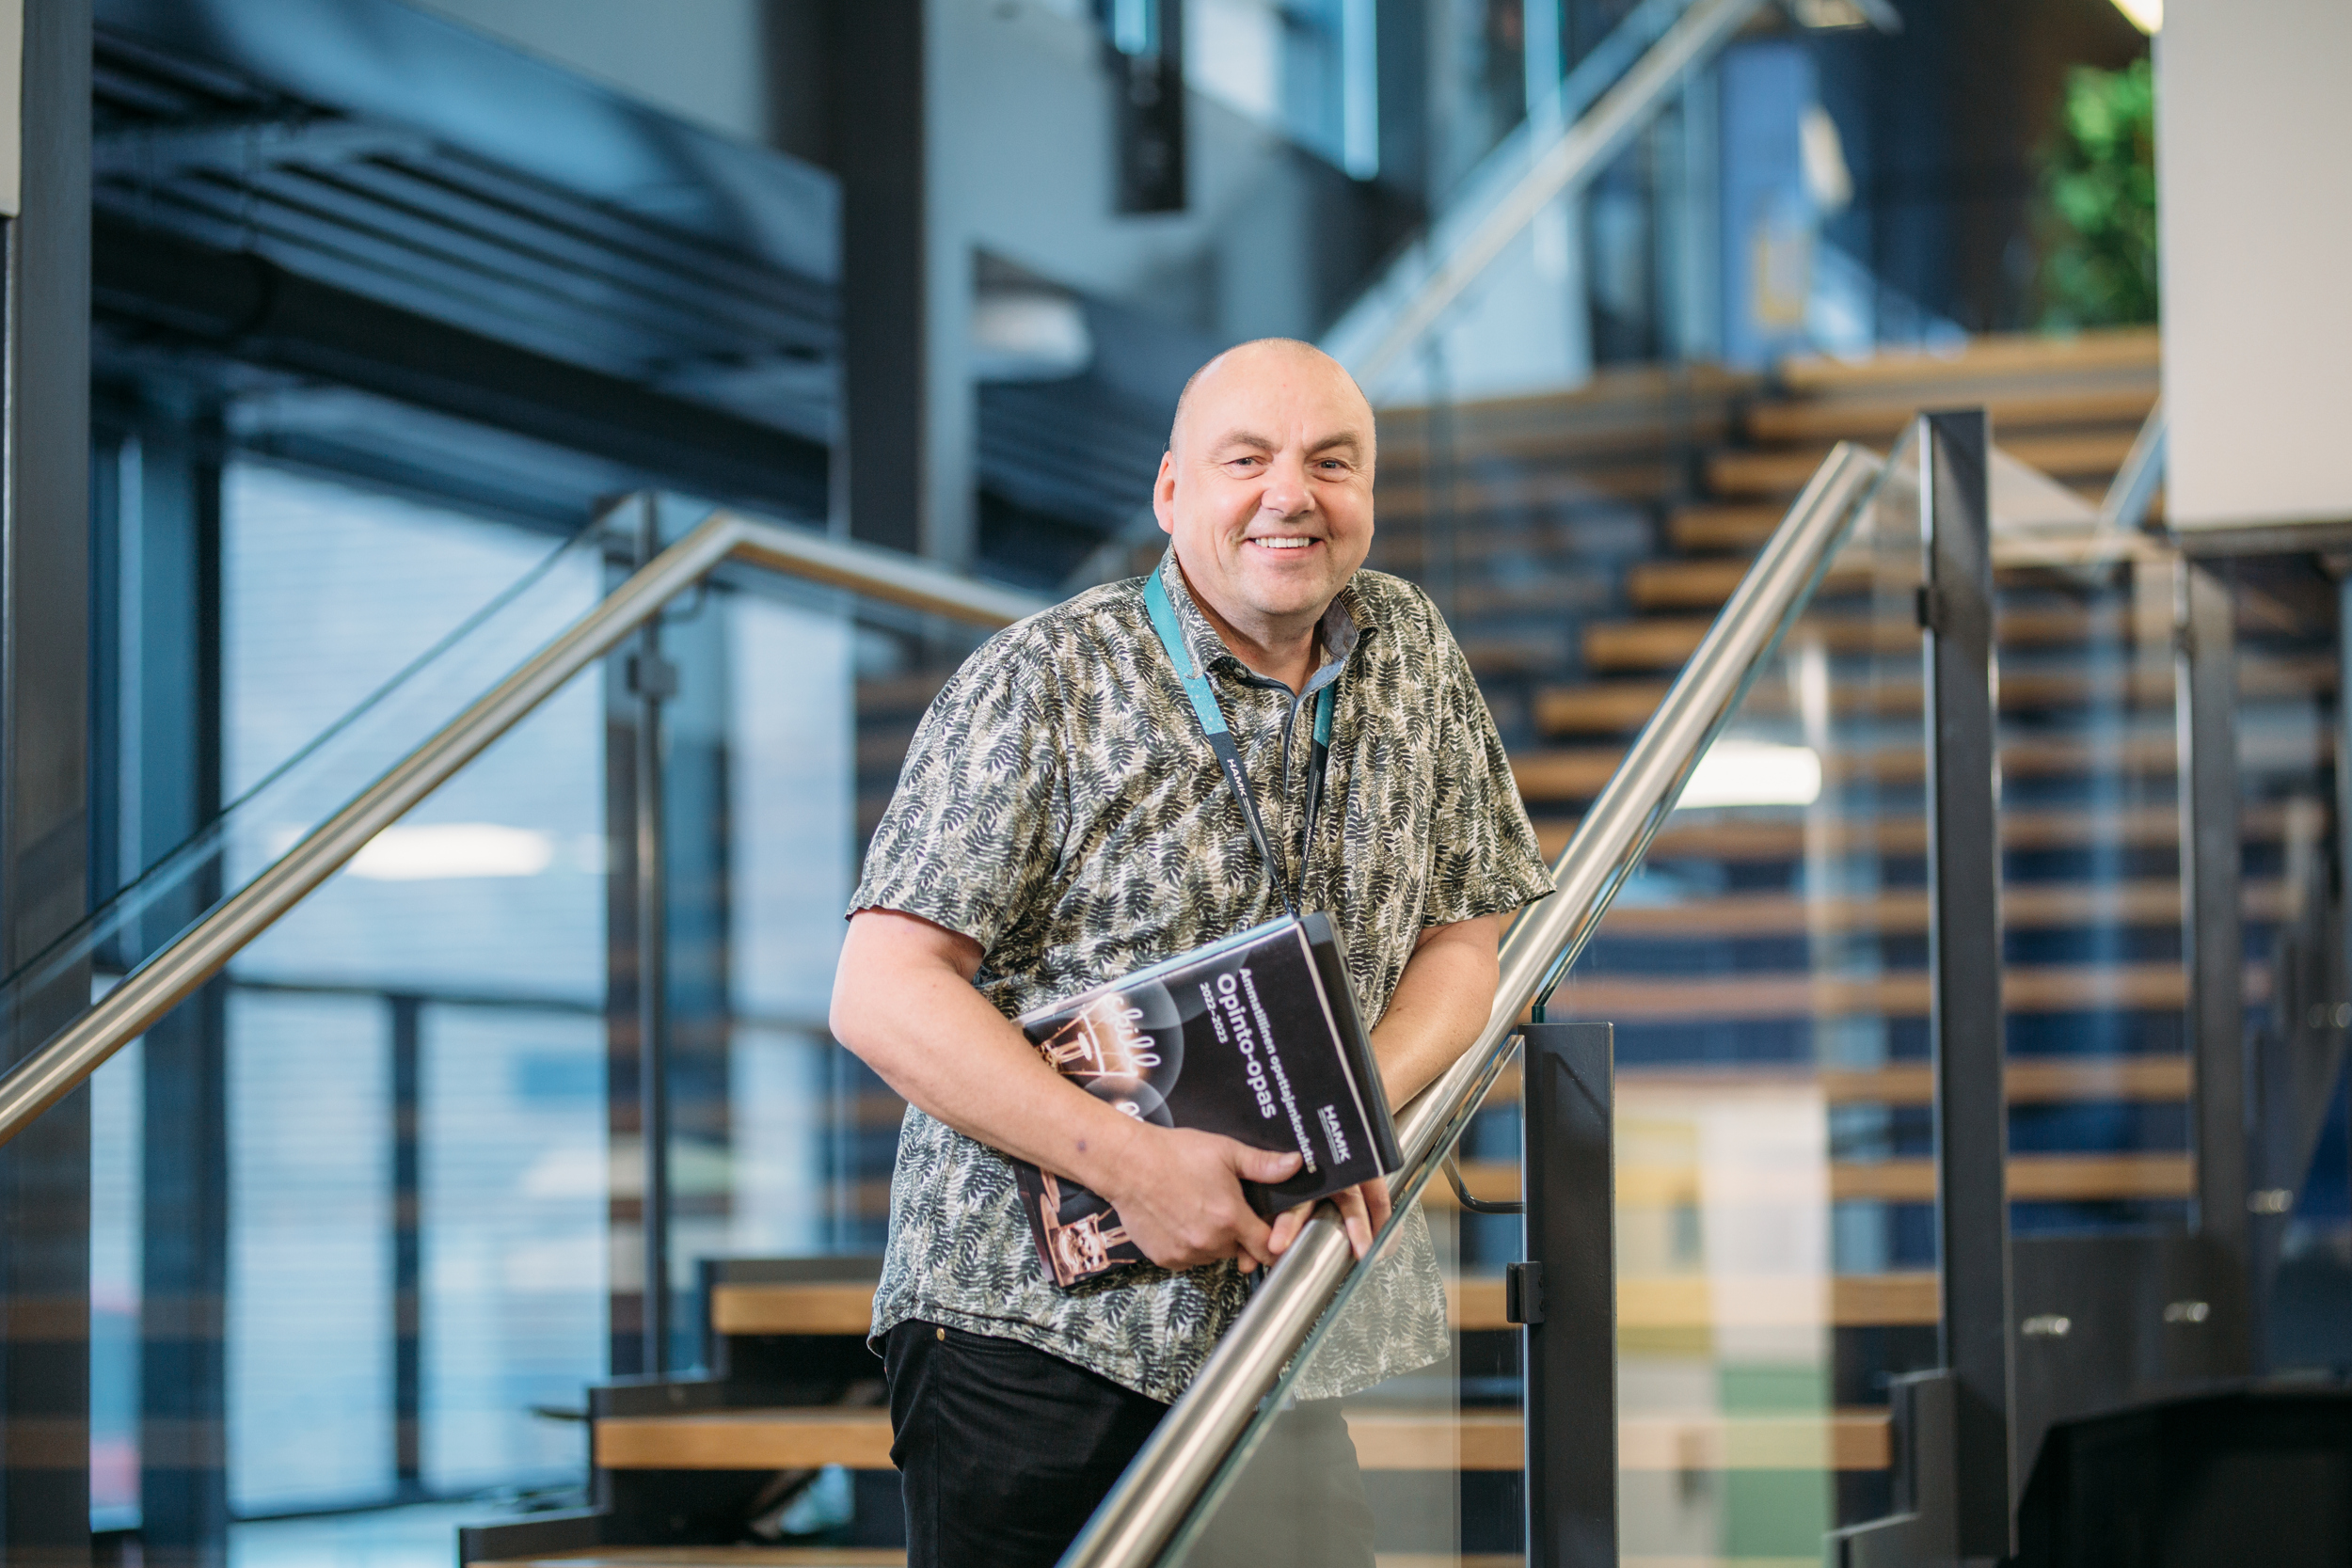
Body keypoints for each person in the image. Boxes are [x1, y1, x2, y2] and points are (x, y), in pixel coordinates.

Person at [830, 338, 1552, 1568]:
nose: (1293, 495)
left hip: (1282, 1310)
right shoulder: (1044, 677)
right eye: (1248, 460)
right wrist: (1133, 1165)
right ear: (1173, 493)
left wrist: (1348, 1114)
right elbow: (882, 993)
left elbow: (1465, 940)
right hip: (1032, 1329)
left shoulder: (1410, 653)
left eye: (1334, 462)